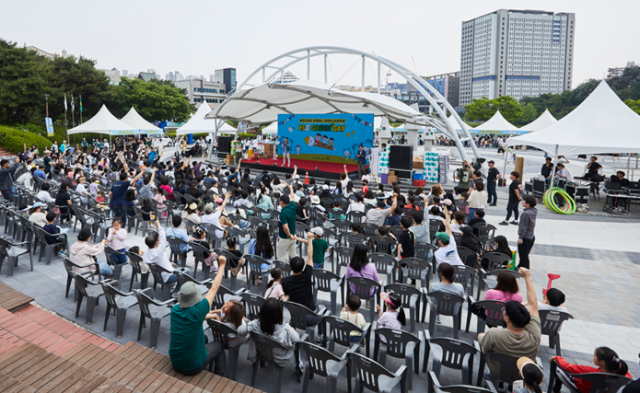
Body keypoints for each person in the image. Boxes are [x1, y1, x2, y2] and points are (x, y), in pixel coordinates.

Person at [169, 255, 227, 375]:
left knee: (204, 338)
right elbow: (214, 288)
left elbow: (191, 318)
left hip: (175, 362)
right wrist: (222, 265)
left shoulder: (175, 310)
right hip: (191, 367)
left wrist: (212, 316)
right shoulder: (198, 311)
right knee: (219, 346)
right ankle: (221, 377)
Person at [479, 267, 541, 377]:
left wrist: (481, 336)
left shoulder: (494, 334)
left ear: (507, 319)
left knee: (482, 337)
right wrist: (528, 277)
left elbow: (485, 348)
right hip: (521, 372)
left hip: (498, 370)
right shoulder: (534, 337)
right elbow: (533, 305)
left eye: (504, 310)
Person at [281, 232, 325, 342]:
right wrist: (310, 239)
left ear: (291, 268)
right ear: (303, 267)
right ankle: (321, 337)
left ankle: (292, 331)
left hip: (295, 317)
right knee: (323, 309)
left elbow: (287, 298)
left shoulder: (285, 281)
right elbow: (310, 256)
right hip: (310, 317)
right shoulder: (306, 276)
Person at [237, 298, 300, 368]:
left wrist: (247, 323)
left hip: (261, 353)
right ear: (279, 313)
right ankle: (298, 364)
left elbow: (239, 331)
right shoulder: (285, 328)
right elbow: (297, 340)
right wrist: (293, 330)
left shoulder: (254, 325)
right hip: (279, 358)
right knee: (295, 344)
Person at [550, 347, 631, 393]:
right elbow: (628, 375)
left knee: (559, 368)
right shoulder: (622, 374)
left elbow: (567, 367)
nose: (593, 356)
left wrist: (557, 358)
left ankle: (556, 390)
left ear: (602, 362)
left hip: (583, 389)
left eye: (594, 355)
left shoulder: (589, 371)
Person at [144, 218, 189, 292]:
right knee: (186, 271)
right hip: (167, 277)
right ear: (157, 243)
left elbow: (157, 263)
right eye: (158, 240)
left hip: (157, 275)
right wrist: (158, 224)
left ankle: (172, 287)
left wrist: (168, 264)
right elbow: (163, 237)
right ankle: (176, 291)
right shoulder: (159, 251)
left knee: (174, 265)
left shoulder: (147, 253)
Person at [109, 153, 144, 226]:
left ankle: (116, 229)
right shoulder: (125, 184)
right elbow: (135, 179)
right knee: (123, 219)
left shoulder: (115, 183)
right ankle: (121, 232)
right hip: (119, 204)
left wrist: (125, 163)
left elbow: (110, 194)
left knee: (118, 217)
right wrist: (142, 172)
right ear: (125, 179)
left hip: (112, 204)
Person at [276, 184, 297, 261]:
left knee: (280, 257)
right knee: (293, 255)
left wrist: (289, 235)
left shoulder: (283, 213)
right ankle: (298, 269)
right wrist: (291, 188)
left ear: (281, 202)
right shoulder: (293, 206)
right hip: (293, 235)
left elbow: (285, 227)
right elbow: (293, 197)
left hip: (285, 238)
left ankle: (282, 272)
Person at [518, 195, 537, 269]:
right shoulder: (534, 211)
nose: (522, 201)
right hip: (531, 236)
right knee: (525, 253)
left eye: (524, 200)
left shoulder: (525, 214)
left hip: (525, 237)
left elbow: (523, 227)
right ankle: (520, 266)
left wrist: (520, 237)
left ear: (528, 203)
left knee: (523, 255)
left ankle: (525, 269)